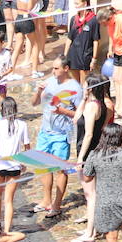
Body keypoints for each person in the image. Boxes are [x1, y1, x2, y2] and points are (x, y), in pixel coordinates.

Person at [30, 57, 82, 217]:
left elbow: (81, 114)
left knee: (60, 169)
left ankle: (57, 205)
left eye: (56, 69)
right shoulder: (49, 82)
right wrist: (38, 91)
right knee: (43, 166)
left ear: (66, 69)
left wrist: (63, 112)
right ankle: (46, 200)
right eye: (52, 68)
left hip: (61, 134)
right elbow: (34, 103)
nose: (53, 71)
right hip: (46, 132)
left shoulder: (76, 88)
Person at [70, 78, 114, 242]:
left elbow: (88, 134)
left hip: (87, 152)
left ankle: (90, 232)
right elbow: (76, 119)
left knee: (90, 194)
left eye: (86, 84)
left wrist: (81, 158)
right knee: (91, 193)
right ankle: (92, 227)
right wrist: (83, 98)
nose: (83, 86)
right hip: (94, 150)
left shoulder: (92, 107)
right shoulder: (102, 105)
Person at [0, 97, 30, 233]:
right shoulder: (22, 125)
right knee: (9, 200)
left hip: (0, 165)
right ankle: (7, 230)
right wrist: (24, 163)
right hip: (15, 166)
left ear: (2, 110)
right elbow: (27, 147)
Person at [65, 0, 100, 87]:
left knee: (84, 83)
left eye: (77, 3)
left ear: (85, 4)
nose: (75, 6)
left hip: (85, 54)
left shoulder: (93, 20)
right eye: (74, 3)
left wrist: (94, 59)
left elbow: (96, 40)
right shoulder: (73, 19)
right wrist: (65, 55)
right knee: (74, 84)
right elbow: (69, 38)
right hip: (73, 54)